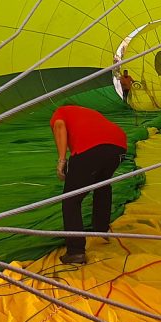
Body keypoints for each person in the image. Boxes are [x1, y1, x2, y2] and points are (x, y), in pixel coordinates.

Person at [50, 105, 127, 264]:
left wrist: (62, 160)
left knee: (71, 199)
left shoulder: (60, 113)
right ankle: (101, 229)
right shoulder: (89, 112)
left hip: (90, 147)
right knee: (102, 185)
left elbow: (59, 126)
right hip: (118, 145)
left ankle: (75, 251)